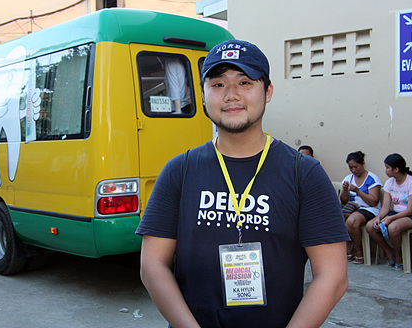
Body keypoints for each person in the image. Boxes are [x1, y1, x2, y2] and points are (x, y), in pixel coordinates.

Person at [136, 39, 349, 328]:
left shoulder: (304, 174)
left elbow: (332, 277)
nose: (231, 95)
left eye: (245, 82)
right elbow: (152, 266)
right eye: (218, 84)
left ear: (268, 91)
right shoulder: (179, 171)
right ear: (202, 95)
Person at [367, 153, 412, 269]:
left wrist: (390, 218)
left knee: (393, 227)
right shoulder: (390, 183)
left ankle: (399, 255)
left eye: (388, 167)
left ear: (396, 169)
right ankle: (389, 251)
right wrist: (379, 218)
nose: (386, 170)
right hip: (396, 213)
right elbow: (386, 207)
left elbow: (410, 210)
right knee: (370, 226)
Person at [340, 151, 382, 263]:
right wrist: (345, 190)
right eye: (350, 168)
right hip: (353, 208)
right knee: (338, 217)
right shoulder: (348, 178)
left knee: (352, 221)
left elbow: (374, 201)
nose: (354, 170)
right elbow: (343, 201)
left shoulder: (372, 179)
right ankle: (348, 246)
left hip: (369, 208)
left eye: (356, 167)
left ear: (363, 164)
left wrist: (358, 191)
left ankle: (359, 250)